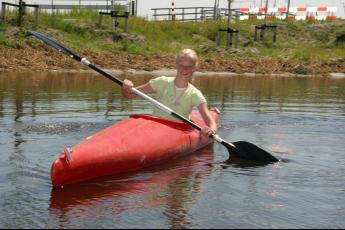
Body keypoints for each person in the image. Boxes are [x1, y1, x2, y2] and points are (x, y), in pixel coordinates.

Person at [121, 48, 217, 136]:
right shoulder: (161, 82)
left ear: (194, 68)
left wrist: (211, 129)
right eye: (181, 65)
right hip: (155, 127)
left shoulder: (195, 94)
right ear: (176, 65)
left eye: (189, 66)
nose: (184, 69)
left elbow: (210, 121)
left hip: (179, 131)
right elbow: (129, 95)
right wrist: (126, 87)